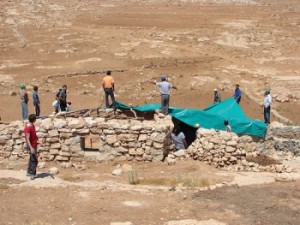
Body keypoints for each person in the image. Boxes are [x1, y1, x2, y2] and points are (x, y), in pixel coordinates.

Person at [24, 114, 38, 180]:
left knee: (31, 158)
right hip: (31, 145)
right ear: (34, 120)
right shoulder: (28, 127)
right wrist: (31, 148)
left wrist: (38, 141)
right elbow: (27, 138)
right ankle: (32, 174)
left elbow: (34, 136)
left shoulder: (33, 126)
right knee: (34, 159)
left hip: (34, 144)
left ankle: (29, 172)